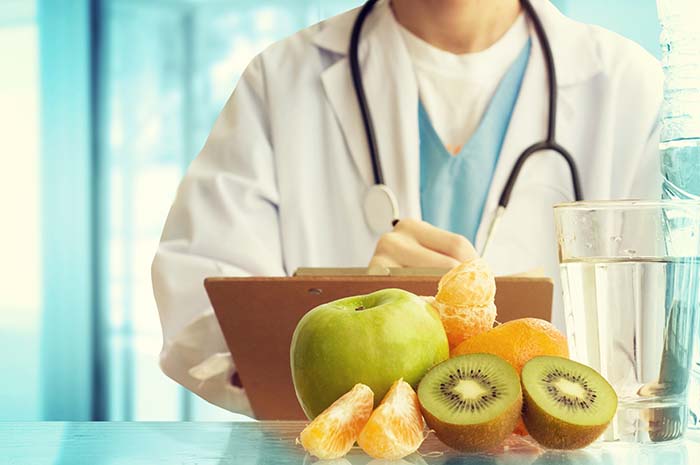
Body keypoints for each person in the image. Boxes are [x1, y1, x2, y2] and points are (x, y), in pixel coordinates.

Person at [152, 0, 662, 416]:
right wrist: (352, 317)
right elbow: (203, 314)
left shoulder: (628, 85)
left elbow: (666, 344)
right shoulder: (283, 78)